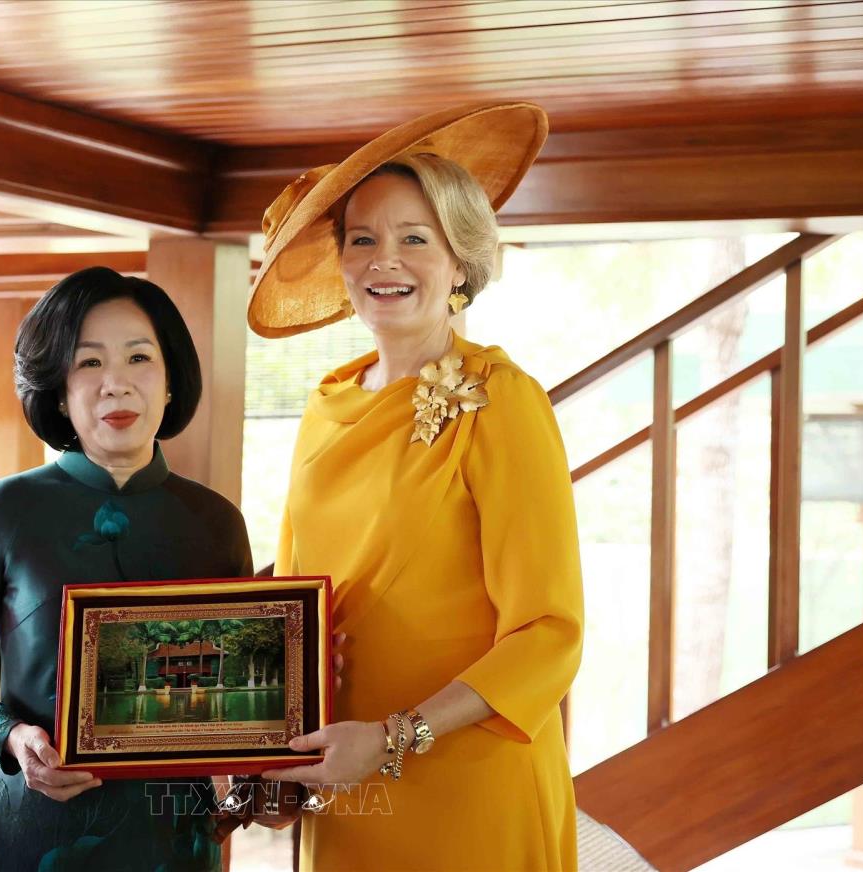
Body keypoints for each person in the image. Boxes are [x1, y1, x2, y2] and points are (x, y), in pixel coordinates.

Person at [251, 103, 585, 870]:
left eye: (414, 239)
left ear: (460, 262)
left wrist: (395, 737)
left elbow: (548, 633)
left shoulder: (502, 399)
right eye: (362, 239)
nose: (384, 261)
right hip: (344, 780)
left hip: (471, 781)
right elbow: (296, 611)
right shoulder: (326, 405)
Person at [0, 267, 254, 871]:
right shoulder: (5, 509)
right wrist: (9, 735)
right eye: (89, 363)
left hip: (172, 835)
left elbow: (234, 696)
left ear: (170, 381)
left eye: (139, 358)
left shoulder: (217, 522)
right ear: (59, 392)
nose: (115, 384)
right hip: (30, 828)